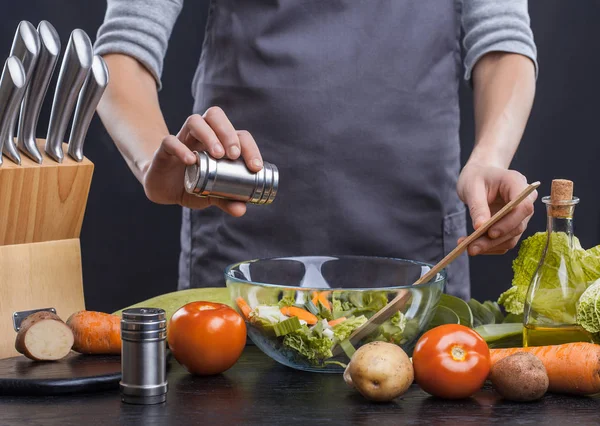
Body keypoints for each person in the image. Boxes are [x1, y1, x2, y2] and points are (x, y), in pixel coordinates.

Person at [94, 0, 538, 300]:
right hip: (242, 237)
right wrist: (153, 158)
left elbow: (502, 39)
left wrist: (489, 159)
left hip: (413, 241)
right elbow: (124, 48)